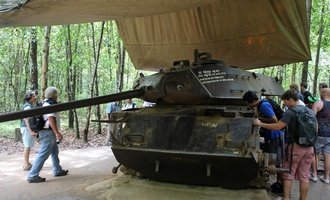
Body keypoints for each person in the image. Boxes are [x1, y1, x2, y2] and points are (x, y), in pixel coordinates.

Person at [254, 90, 315, 200]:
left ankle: (286, 198)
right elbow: (316, 129)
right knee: (305, 176)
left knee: (288, 174)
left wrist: (260, 123)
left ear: (291, 100)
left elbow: (278, 126)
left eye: (285, 102)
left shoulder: (291, 112)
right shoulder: (309, 111)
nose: (285, 104)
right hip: (310, 148)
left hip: (295, 147)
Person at [243, 91, 284, 193]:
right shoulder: (261, 105)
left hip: (274, 136)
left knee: (275, 161)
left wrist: (259, 119)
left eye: (248, 103)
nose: (248, 105)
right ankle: (279, 184)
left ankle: (281, 185)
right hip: (271, 135)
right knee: (274, 160)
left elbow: (274, 120)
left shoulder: (264, 105)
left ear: (252, 101)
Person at [27, 86, 68, 183]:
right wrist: (57, 132)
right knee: (43, 154)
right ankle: (32, 175)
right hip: (48, 132)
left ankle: (57, 170)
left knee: (54, 152)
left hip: (45, 132)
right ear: (55, 95)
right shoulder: (49, 104)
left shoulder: (43, 103)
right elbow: (50, 119)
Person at [311, 88, 330, 184]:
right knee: (328, 156)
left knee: (315, 154)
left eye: (321, 92)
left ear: (324, 93)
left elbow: (312, 119)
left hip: (319, 133)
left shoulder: (318, 103)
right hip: (329, 135)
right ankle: (327, 178)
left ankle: (314, 175)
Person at [20, 91, 37, 170]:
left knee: (28, 146)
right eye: (33, 96)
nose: (35, 97)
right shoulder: (28, 107)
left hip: (27, 128)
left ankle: (27, 162)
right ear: (29, 98)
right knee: (27, 146)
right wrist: (30, 131)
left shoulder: (29, 106)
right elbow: (26, 119)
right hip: (26, 128)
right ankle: (26, 164)